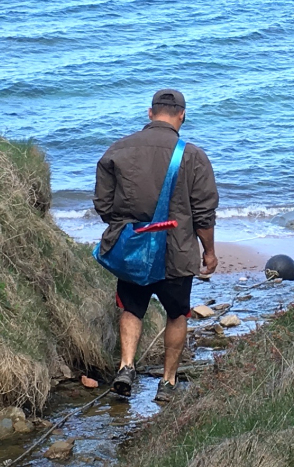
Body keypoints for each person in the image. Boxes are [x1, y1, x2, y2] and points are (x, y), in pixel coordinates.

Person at [93, 87, 218, 401]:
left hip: (133, 250)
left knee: (131, 307)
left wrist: (126, 226)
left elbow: (103, 206)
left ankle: (126, 366)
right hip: (176, 254)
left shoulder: (117, 150)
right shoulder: (192, 155)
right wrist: (209, 252)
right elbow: (204, 214)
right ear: (182, 116)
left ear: (150, 113)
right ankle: (168, 382)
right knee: (177, 315)